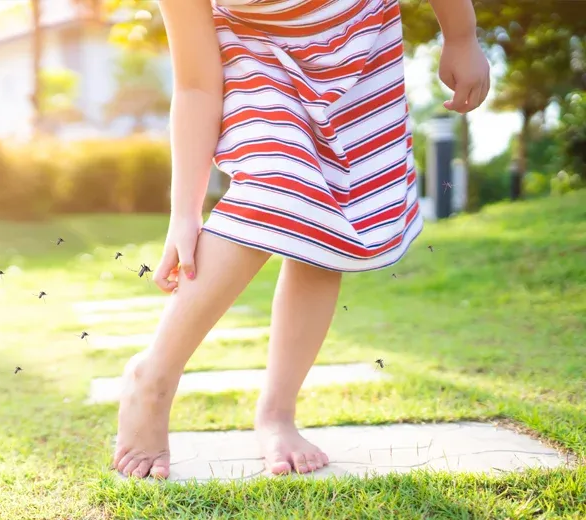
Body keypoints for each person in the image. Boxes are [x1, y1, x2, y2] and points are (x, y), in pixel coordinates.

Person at [113, 0, 490, 479]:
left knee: (331, 222)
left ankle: (277, 413)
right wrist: (184, 212)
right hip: (259, 51)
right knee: (276, 177)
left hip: (358, 47)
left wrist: (461, 34)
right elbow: (195, 84)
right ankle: (153, 377)